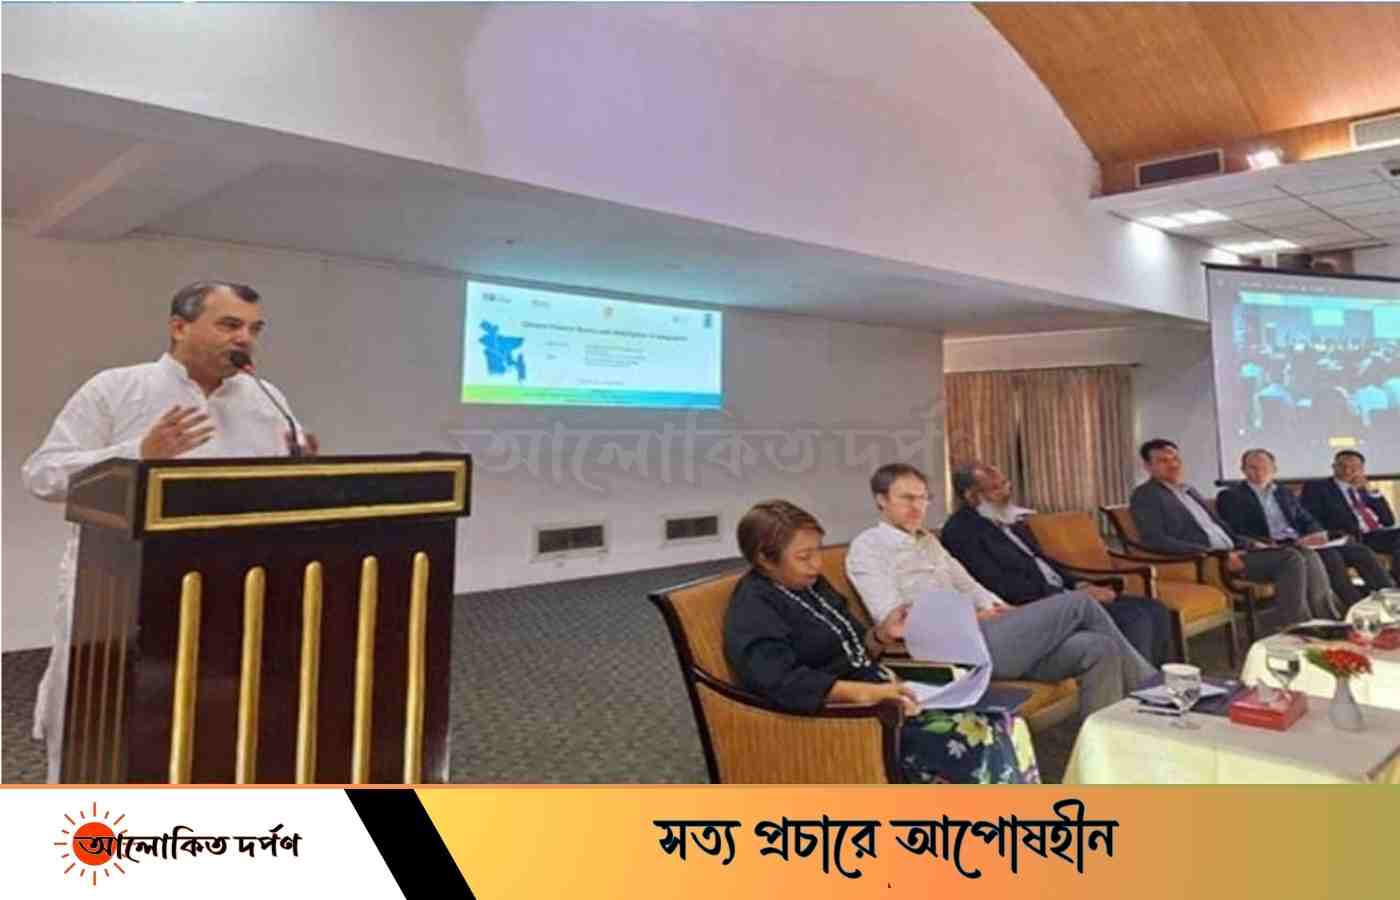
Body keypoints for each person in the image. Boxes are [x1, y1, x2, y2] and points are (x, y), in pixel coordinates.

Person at [21, 280, 317, 782]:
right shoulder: (116, 388)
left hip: (230, 594)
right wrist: (139, 453)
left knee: (215, 727)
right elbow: (42, 476)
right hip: (118, 592)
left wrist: (299, 469)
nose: (245, 339)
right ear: (179, 327)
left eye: (255, 329)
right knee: (104, 731)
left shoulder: (267, 400)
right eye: (230, 324)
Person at [723, 499, 1039, 784]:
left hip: (884, 686)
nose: (816, 564)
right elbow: (783, 682)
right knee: (976, 735)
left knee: (1004, 718)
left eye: (818, 551)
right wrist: (874, 694)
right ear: (765, 559)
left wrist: (881, 634)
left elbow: (853, 648)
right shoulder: (754, 607)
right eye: (804, 557)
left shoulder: (811, 585)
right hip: (843, 714)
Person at [845, 464, 1156, 720]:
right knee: (1078, 603)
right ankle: (1154, 688)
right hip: (949, 651)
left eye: (923, 498)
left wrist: (1004, 610)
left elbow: (969, 586)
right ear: (881, 500)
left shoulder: (928, 541)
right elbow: (893, 620)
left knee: (1100, 648)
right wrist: (973, 617)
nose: (917, 507)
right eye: (906, 498)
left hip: (989, 635)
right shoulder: (867, 548)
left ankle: (1103, 750)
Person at [942, 462, 1175, 666]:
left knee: (1155, 609)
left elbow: (1043, 562)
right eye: (996, 489)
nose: (1006, 493)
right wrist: (1068, 595)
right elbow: (999, 584)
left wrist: (1080, 584)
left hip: (1063, 593)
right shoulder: (962, 531)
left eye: (1006, 484)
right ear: (971, 496)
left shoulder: (1007, 519)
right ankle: (1137, 692)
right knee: (1135, 618)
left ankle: (1158, 683)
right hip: (1033, 603)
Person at [1130, 439, 1336, 624]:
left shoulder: (1189, 491)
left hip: (1235, 551)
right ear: (1148, 466)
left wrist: (1251, 544)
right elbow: (1155, 539)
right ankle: (1299, 626)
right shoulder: (1146, 495)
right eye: (1163, 461)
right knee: (1290, 558)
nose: (1173, 464)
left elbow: (1224, 530)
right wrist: (1215, 554)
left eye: (1175, 459)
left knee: (1306, 553)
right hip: (1211, 560)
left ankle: (1327, 619)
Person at [1216, 448, 1392, 614]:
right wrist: (1270, 543)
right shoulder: (1231, 496)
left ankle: (1391, 602)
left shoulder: (1283, 492)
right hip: (1273, 545)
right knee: (1331, 556)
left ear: (1274, 469)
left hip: (1301, 541)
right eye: (1253, 468)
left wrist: (1318, 534)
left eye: (1264, 467)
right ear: (1243, 470)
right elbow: (1235, 531)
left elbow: (1305, 518)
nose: (1259, 472)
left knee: (1359, 551)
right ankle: (1357, 610)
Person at [1300, 450, 1400, 570]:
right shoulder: (1318, 487)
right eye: (1342, 466)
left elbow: (1388, 521)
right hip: (1349, 536)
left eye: (1353, 467)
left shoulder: (1364, 489)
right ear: (1334, 467)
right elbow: (1312, 518)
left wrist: (1371, 492)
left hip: (1376, 534)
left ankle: (1395, 579)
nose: (1347, 471)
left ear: (1361, 469)